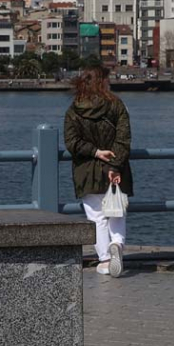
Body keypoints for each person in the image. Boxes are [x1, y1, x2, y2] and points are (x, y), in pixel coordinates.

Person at [64, 65, 133, 277]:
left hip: (86, 170)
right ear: (103, 82)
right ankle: (118, 245)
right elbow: (124, 139)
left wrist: (95, 152)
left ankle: (104, 260)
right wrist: (113, 165)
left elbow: (71, 142)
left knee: (97, 217)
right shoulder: (116, 105)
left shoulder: (75, 109)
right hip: (115, 167)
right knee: (116, 211)